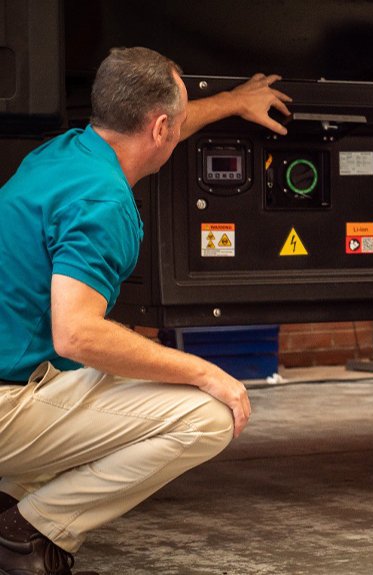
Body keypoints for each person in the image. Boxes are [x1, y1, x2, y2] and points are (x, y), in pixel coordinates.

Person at [0, 46, 292, 574]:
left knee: (134, 367)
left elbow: (163, 119)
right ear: (160, 130)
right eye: (177, 124)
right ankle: (27, 532)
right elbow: (77, 336)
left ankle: (10, 493)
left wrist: (231, 101)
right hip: (8, 404)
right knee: (210, 413)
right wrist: (207, 372)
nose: (179, 131)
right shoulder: (103, 203)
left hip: (19, 373)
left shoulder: (63, 153)